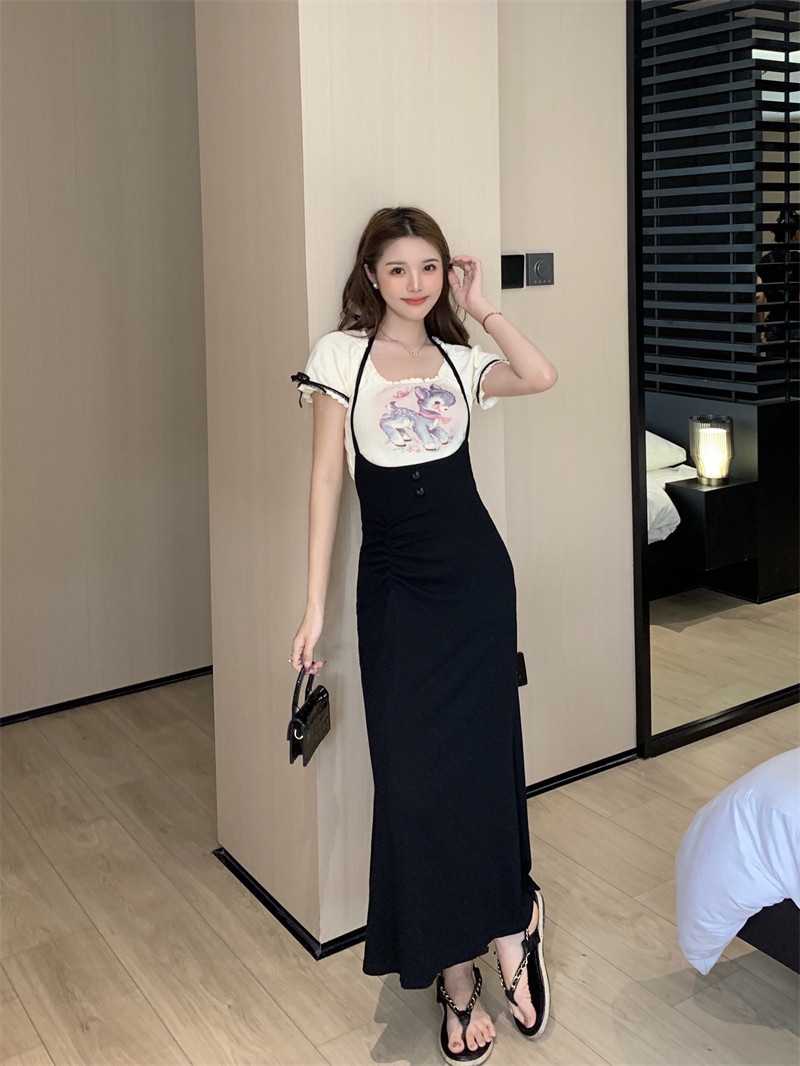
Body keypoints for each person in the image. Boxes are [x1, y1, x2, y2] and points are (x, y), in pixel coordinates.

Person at [291, 206, 558, 1066]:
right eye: (398, 268)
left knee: (483, 763)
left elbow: (541, 374)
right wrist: (313, 607)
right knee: (413, 783)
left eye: (430, 268)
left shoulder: (459, 358)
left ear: (447, 275)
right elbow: (327, 479)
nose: (415, 283)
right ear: (371, 275)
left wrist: (484, 307)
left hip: (475, 581)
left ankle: (512, 928)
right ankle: (455, 973)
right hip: (397, 587)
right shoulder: (340, 356)